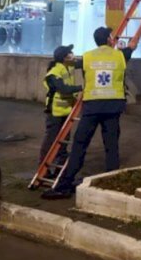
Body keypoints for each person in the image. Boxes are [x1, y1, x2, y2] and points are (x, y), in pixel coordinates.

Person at [42, 26, 133, 199]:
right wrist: (127, 45)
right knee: (111, 147)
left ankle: (64, 186)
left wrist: (63, 57)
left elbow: (70, 62)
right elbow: (133, 46)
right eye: (111, 36)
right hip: (113, 108)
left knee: (79, 145)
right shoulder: (120, 55)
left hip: (92, 107)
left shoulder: (88, 57)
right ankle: (112, 182)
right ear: (108, 39)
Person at [39, 45, 81, 167]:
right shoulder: (54, 73)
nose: (73, 54)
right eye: (70, 53)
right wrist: (80, 88)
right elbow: (63, 89)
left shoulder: (69, 67)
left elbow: (85, 63)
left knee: (63, 142)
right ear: (64, 57)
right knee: (50, 141)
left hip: (67, 111)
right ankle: (43, 167)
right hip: (55, 112)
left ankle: (59, 167)